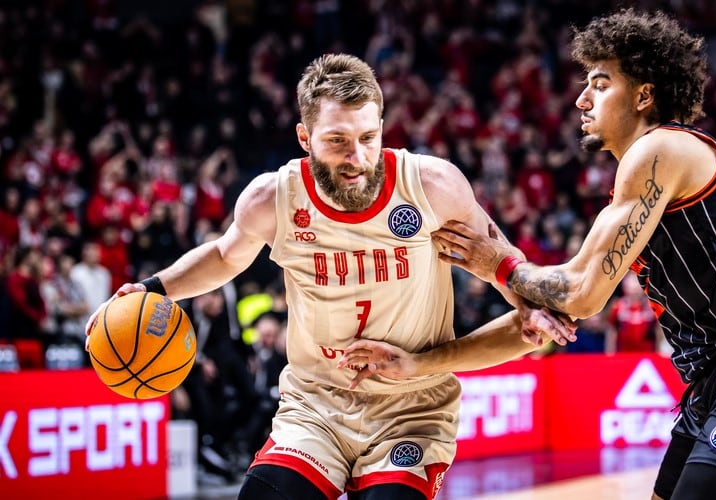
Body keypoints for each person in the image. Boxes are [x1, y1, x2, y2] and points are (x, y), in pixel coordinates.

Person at [85, 53, 569, 500]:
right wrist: (151, 288)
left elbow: (498, 255)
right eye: (337, 140)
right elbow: (225, 256)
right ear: (305, 138)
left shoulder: (432, 186)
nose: (356, 157)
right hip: (316, 406)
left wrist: (531, 308)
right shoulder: (271, 198)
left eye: (367, 138)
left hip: (411, 408)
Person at [427, 9, 716, 500]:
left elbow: (581, 295)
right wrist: (434, 353)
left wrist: (498, 263)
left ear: (644, 94)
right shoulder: (636, 183)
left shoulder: (659, 150)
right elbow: (565, 295)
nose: (581, 99)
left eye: (600, 85)